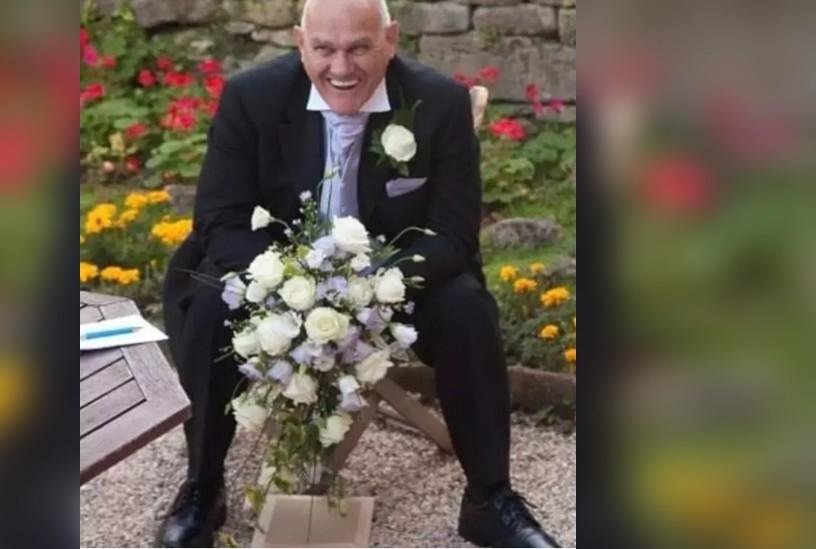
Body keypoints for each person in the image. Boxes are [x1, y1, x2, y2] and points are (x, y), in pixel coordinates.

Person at [159, 0, 560, 546]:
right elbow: (220, 217)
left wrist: (369, 288)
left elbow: (453, 232)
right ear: (300, 42)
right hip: (276, 273)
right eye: (323, 48)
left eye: (359, 47)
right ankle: (203, 487)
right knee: (209, 308)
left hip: (397, 279)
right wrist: (282, 284)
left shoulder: (438, 103)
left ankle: (490, 498)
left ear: (390, 39)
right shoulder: (250, 98)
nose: (341, 68)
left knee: (468, 310)